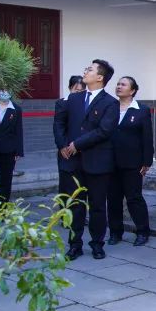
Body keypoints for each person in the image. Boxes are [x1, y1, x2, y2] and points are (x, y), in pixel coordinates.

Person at [54, 59, 120, 260]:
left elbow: (104, 131)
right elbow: (59, 122)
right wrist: (62, 144)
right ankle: (75, 244)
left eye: (90, 69)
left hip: (97, 162)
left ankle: (97, 244)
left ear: (100, 77)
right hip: (72, 162)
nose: (85, 71)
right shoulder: (73, 99)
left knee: (98, 206)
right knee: (75, 205)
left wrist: (77, 144)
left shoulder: (111, 103)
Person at [108, 76, 153, 246]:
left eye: (123, 84)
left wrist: (146, 161)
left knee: (134, 198)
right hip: (110, 161)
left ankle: (142, 231)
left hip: (133, 162)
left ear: (132, 90)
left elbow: (147, 137)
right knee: (113, 199)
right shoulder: (110, 107)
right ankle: (115, 232)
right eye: (118, 84)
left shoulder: (141, 110)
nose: (119, 87)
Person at [55, 75, 85, 187]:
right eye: (76, 90)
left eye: (82, 91)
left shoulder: (87, 104)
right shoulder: (62, 103)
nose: (79, 93)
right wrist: (62, 145)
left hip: (83, 148)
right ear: (70, 88)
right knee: (67, 184)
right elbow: (58, 125)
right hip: (67, 149)